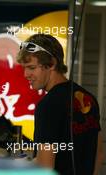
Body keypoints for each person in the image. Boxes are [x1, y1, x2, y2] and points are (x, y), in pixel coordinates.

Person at [16, 34, 103, 175]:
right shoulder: (88, 98)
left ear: (51, 63)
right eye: (24, 68)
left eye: (31, 67)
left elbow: (45, 167)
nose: (26, 74)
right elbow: (98, 154)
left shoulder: (48, 106)